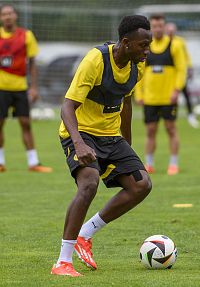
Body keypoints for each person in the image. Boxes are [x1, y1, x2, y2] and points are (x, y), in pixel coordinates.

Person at [51, 15, 152, 277]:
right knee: (89, 183)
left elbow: (126, 103)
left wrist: (126, 143)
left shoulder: (137, 66)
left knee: (141, 185)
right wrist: (79, 143)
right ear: (126, 42)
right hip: (80, 131)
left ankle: (86, 234)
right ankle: (63, 262)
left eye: (148, 45)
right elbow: (67, 107)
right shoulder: (95, 60)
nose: (147, 51)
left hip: (110, 135)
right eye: (143, 45)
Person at [0, 4, 52, 172]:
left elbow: (33, 63)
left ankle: (33, 162)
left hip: (21, 87)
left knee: (25, 123)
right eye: (4, 14)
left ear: (15, 16)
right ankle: (0, 162)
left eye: (10, 13)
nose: (7, 17)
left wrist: (34, 87)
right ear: (1, 18)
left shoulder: (26, 35)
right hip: (1, 88)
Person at [135, 14, 186, 175]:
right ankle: (149, 164)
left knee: (171, 129)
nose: (158, 29)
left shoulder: (174, 45)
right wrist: (139, 94)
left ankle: (173, 164)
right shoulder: (145, 47)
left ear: (164, 27)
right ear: (151, 29)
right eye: (155, 26)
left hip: (168, 98)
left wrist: (176, 90)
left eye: (160, 26)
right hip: (150, 98)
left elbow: (181, 70)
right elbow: (139, 71)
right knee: (150, 131)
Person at [165, 22, 200, 129]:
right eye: (169, 30)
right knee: (169, 97)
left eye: (172, 30)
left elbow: (186, 55)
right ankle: (170, 117)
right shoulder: (163, 42)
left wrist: (189, 66)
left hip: (180, 74)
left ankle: (190, 115)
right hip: (168, 76)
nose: (171, 32)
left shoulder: (180, 41)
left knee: (186, 94)